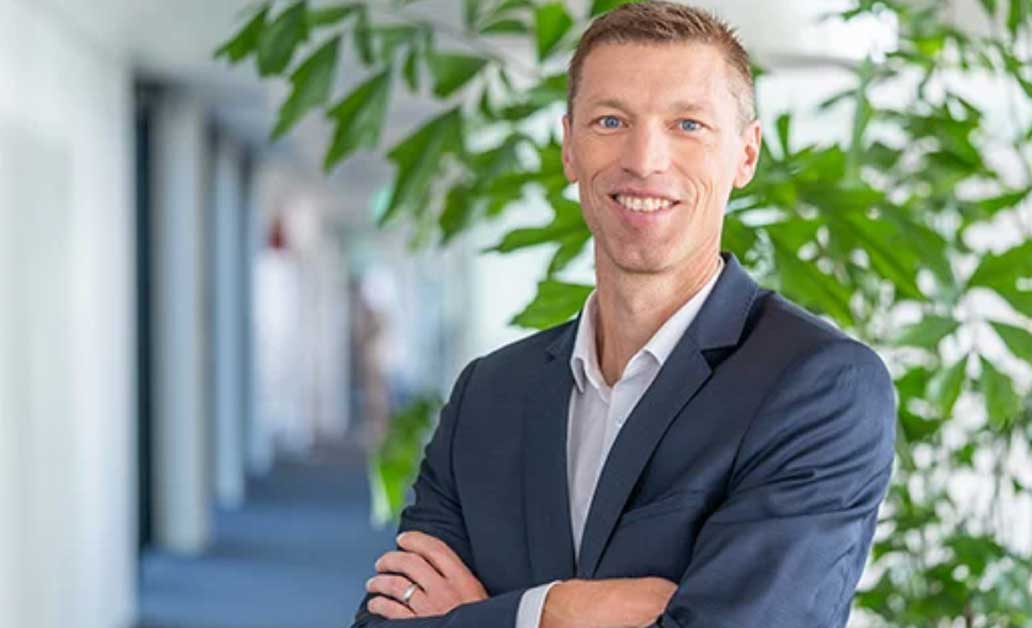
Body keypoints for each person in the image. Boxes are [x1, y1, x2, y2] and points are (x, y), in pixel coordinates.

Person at [350, 2, 896, 626]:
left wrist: (490, 615)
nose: (644, 159)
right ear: (569, 148)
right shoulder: (489, 393)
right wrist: (552, 610)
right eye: (611, 121)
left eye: (687, 125)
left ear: (745, 156)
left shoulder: (818, 385)